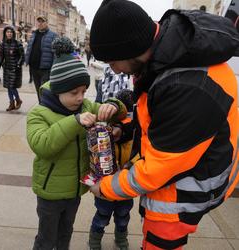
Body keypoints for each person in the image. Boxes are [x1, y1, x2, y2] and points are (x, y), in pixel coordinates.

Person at [89, 1, 239, 249]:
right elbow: (158, 118)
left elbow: (159, 169)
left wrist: (105, 188)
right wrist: (125, 130)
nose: (113, 70)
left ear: (131, 50)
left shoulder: (186, 84)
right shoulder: (168, 55)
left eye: (113, 62)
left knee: (160, 239)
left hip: (187, 189)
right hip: (184, 168)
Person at [26, 37, 127, 250]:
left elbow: (110, 109)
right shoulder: (39, 114)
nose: (81, 98)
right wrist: (75, 122)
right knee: (46, 239)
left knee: (65, 234)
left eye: (83, 91)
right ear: (58, 90)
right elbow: (43, 145)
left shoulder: (86, 105)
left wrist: (113, 106)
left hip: (74, 191)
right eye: (74, 93)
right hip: (50, 193)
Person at [89, 89, 134, 250]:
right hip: (105, 186)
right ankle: (94, 240)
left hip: (125, 186)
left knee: (123, 217)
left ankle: (121, 238)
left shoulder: (132, 134)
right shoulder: (102, 134)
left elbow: (131, 128)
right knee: (102, 216)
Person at [25, 15, 57, 100]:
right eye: (39, 21)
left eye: (42, 21)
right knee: (38, 89)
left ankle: (45, 106)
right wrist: (27, 60)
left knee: (44, 90)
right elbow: (29, 48)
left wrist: (53, 68)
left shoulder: (53, 35)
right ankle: (41, 105)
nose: (40, 23)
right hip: (34, 67)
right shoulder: (34, 34)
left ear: (47, 23)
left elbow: (55, 54)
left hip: (45, 69)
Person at [0, 26, 24, 111]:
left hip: (15, 68)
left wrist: (18, 64)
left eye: (11, 32)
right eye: (8, 32)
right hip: (7, 68)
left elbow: (22, 56)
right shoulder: (2, 44)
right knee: (8, 87)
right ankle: (11, 103)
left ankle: (18, 100)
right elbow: (1, 57)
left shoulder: (17, 43)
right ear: (5, 33)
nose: (9, 33)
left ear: (13, 34)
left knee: (12, 86)